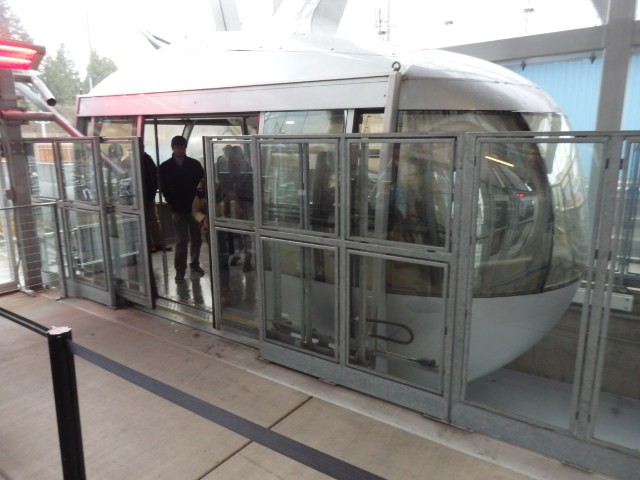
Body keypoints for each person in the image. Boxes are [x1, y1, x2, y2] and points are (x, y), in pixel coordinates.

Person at [159, 135, 204, 283]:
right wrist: (171, 201)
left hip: (194, 209)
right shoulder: (165, 167)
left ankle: (195, 263)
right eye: (178, 147)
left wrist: (199, 200)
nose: (181, 150)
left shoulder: (194, 165)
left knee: (196, 238)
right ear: (173, 148)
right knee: (181, 241)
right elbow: (163, 187)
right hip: (178, 209)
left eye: (183, 147)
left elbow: (202, 182)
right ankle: (180, 270)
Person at [192, 179, 230, 305]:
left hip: (226, 230)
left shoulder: (225, 192)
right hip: (210, 231)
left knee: (223, 260)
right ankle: (218, 291)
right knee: (216, 260)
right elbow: (195, 211)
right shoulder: (201, 194)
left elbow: (235, 208)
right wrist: (203, 219)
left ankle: (223, 291)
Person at [141, 151, 171, 253]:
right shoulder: (147, 159)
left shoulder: (145, 159)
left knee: (151, 220)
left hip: (147, 196)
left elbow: (154, 177)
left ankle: (154, 243)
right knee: (151, 220)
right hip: (147, 195)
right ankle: (154, 243)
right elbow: (155, 177)